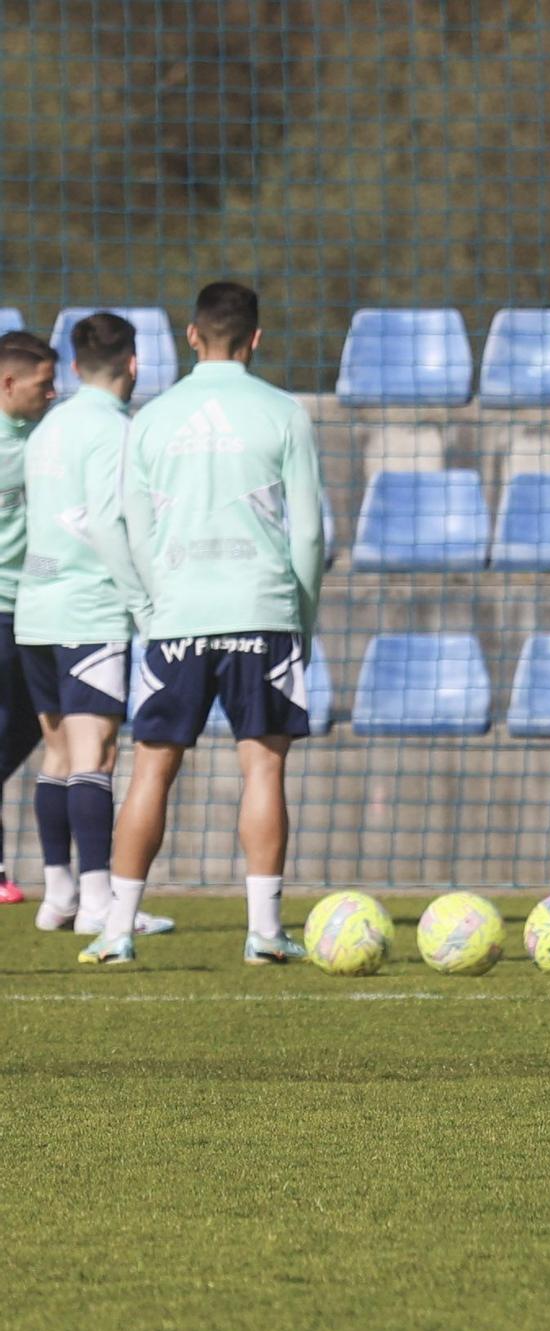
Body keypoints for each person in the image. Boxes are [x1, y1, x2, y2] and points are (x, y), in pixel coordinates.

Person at [78, 281, 325, 965]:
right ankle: (266, 933)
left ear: (192, 336)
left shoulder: (151, 419)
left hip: (177, 615)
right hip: (262, 611)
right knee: (264, 770)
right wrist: (299, 617)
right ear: (257, 338)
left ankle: (117, 930)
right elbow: (309, 534)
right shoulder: (285, 413)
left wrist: (148, 606)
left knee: (151, 769)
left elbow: (123, 523)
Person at [19, 313, 174, 938]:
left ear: (75, 368)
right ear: (133, 365)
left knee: (56, 754)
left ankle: (58, 895)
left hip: (36, 608)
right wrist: (143, 603)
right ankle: (99, 902)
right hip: (90, 609)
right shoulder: (118, 432)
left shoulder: (48, 427)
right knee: (97, 754)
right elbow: (110, 525)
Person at [0, 331, 61, 905]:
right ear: (8, 383)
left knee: (38, 731)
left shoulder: (46, 439)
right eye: (44, 384)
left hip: (37, 609)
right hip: (3, 610)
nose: (54, 393)